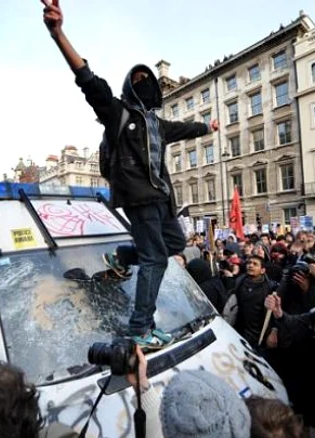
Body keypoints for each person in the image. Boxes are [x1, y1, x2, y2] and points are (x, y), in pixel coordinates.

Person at [42, 0, 220, 348]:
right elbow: (89, 82)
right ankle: (140, 327)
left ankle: (123, 256)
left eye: (147, 79)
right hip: (140, 197)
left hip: (162, 199)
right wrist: (59, 33)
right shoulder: (119, 114)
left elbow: (184, 128)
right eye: (137, 79)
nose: (144, 83)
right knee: (155, 259)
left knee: (175, 244)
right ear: (128, 87)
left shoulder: (157, 123)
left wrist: (208, 128)